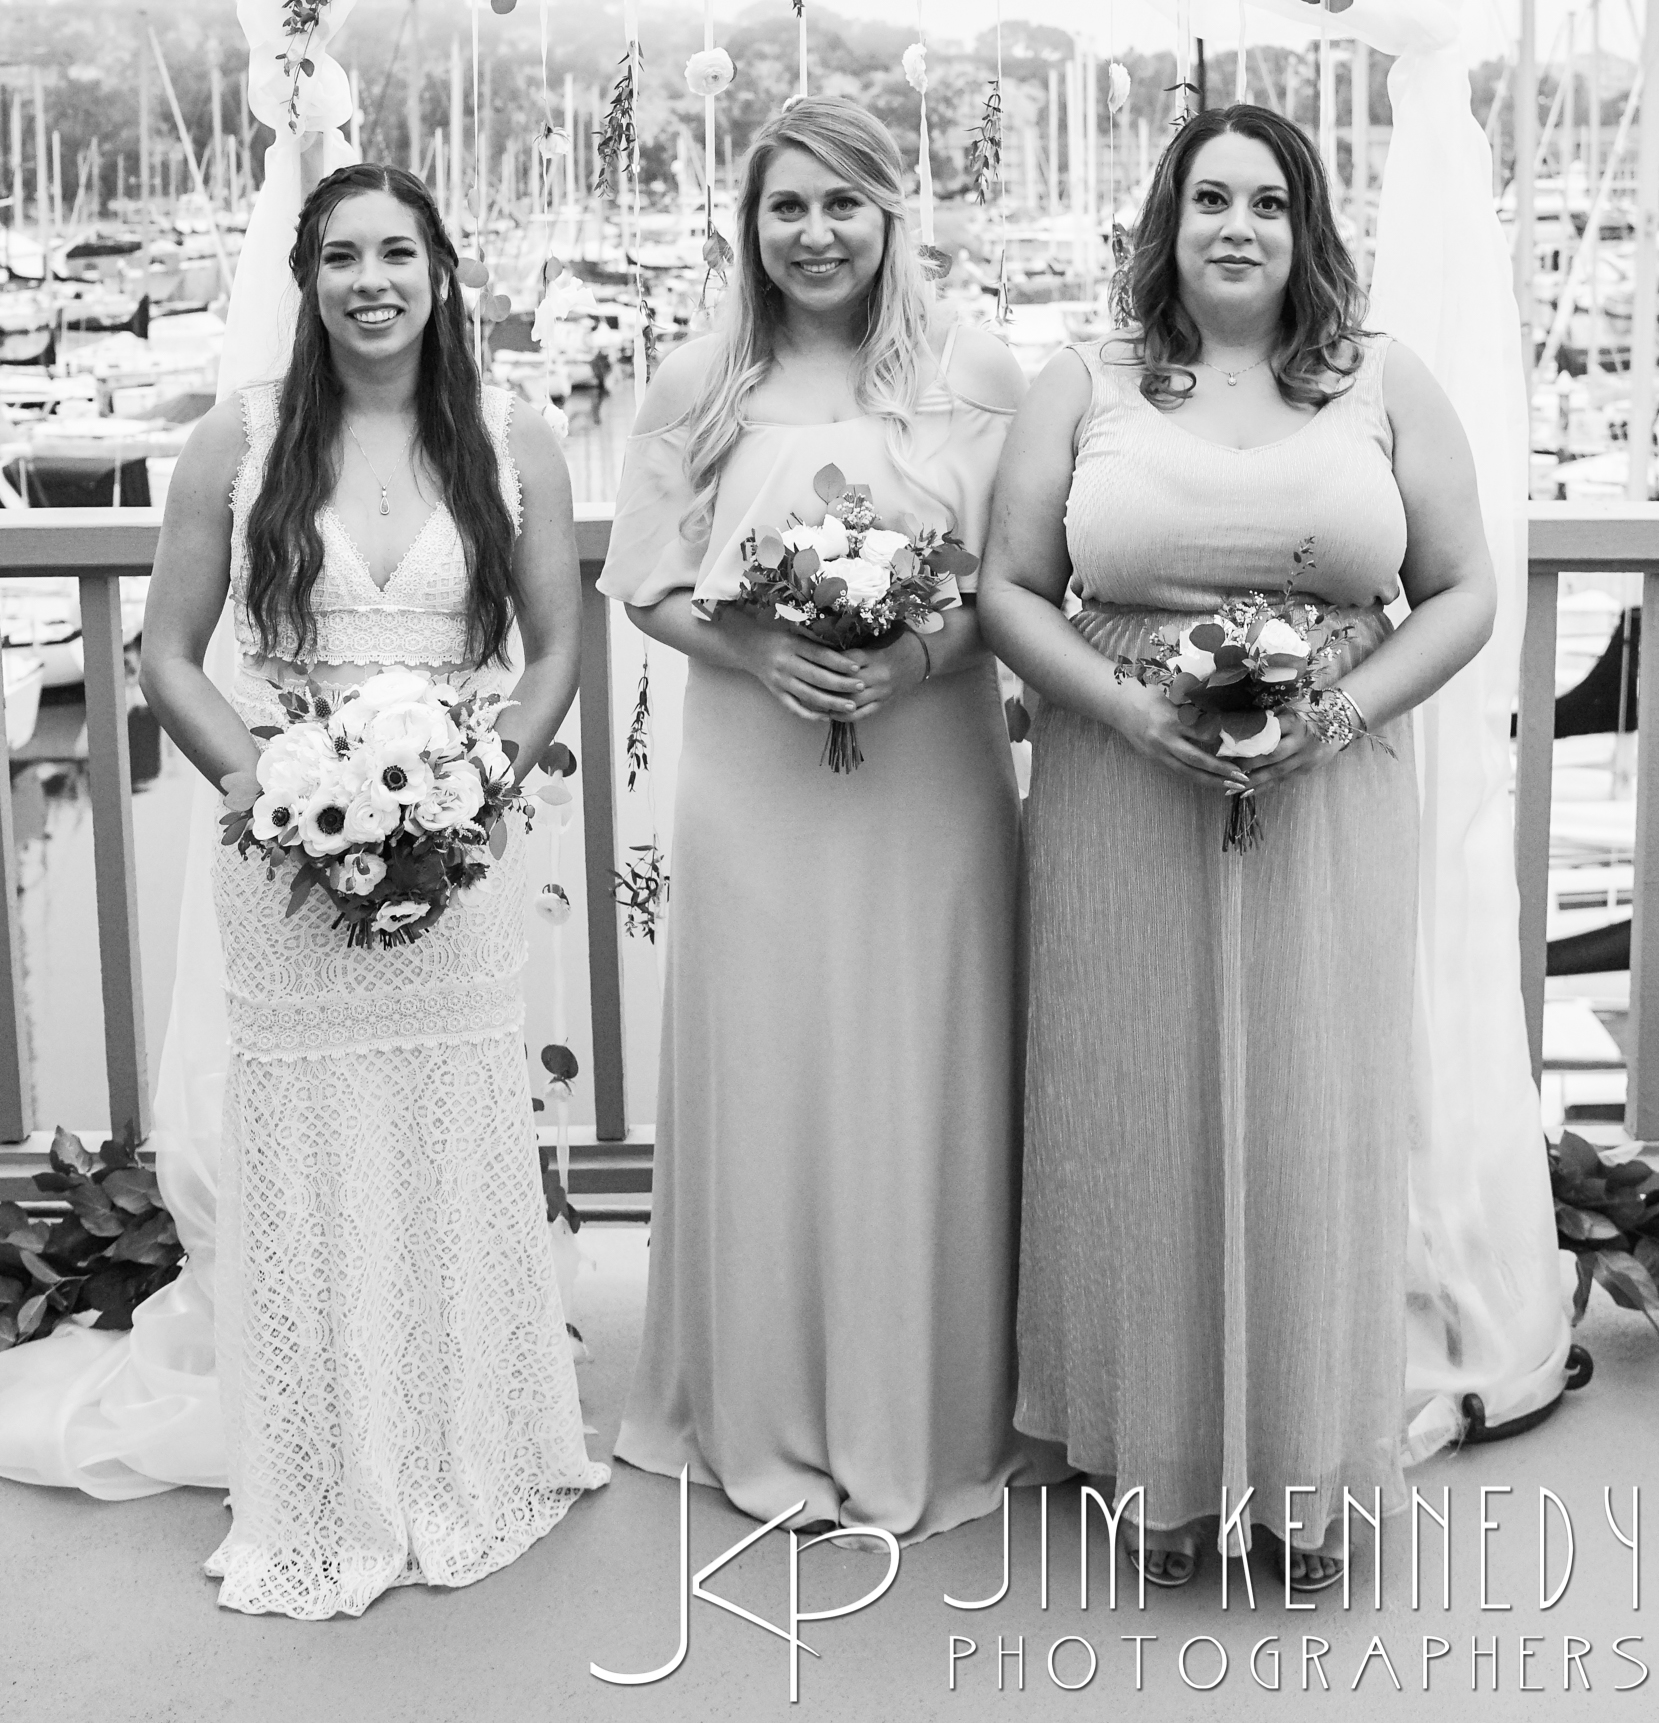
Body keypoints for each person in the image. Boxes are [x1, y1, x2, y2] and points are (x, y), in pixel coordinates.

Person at [979, 106, 1496, 1593]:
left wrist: (1336, 713)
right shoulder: (1085, 383)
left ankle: (1307, 1475)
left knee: (1315, 1120)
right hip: (1120, 794)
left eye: (1269, 202)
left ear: (1306, 226)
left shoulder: (1382, 381)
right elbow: (1010, 588)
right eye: (1210, 199)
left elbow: (1464, 591)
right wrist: (1130, 710)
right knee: (1132, 1113)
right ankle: (1158, 1465)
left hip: (1329, 801)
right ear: (1168, 222)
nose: (1238, 227)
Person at [140, 162, 607, 1619]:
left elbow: (552, 647)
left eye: (397, 253)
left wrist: (479, 787)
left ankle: (472, 1444)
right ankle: (325, 1467)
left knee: (450, 1136)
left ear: (440, 270)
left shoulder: (513, 440)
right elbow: (165, 655)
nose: (371, 282)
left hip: (462, 854)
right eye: (340, 257)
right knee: (311, 1151)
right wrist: (268, 792)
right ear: (307, 279)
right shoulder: (240, 439)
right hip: (286, 861)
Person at [598, 97, 1063, 1540]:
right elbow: (648, 580)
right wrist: (759, 651)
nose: (814, 234)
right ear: (749, 227)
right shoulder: (698, 381)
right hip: (755, 778)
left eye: (843, 204)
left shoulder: (978, 374)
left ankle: (936, 1403)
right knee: (769, 1066)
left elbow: (1019, 582)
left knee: (928, 1061)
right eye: (786, 207)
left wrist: (916, 656)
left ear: (891, 217)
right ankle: (768, 1402)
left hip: (932, 778)